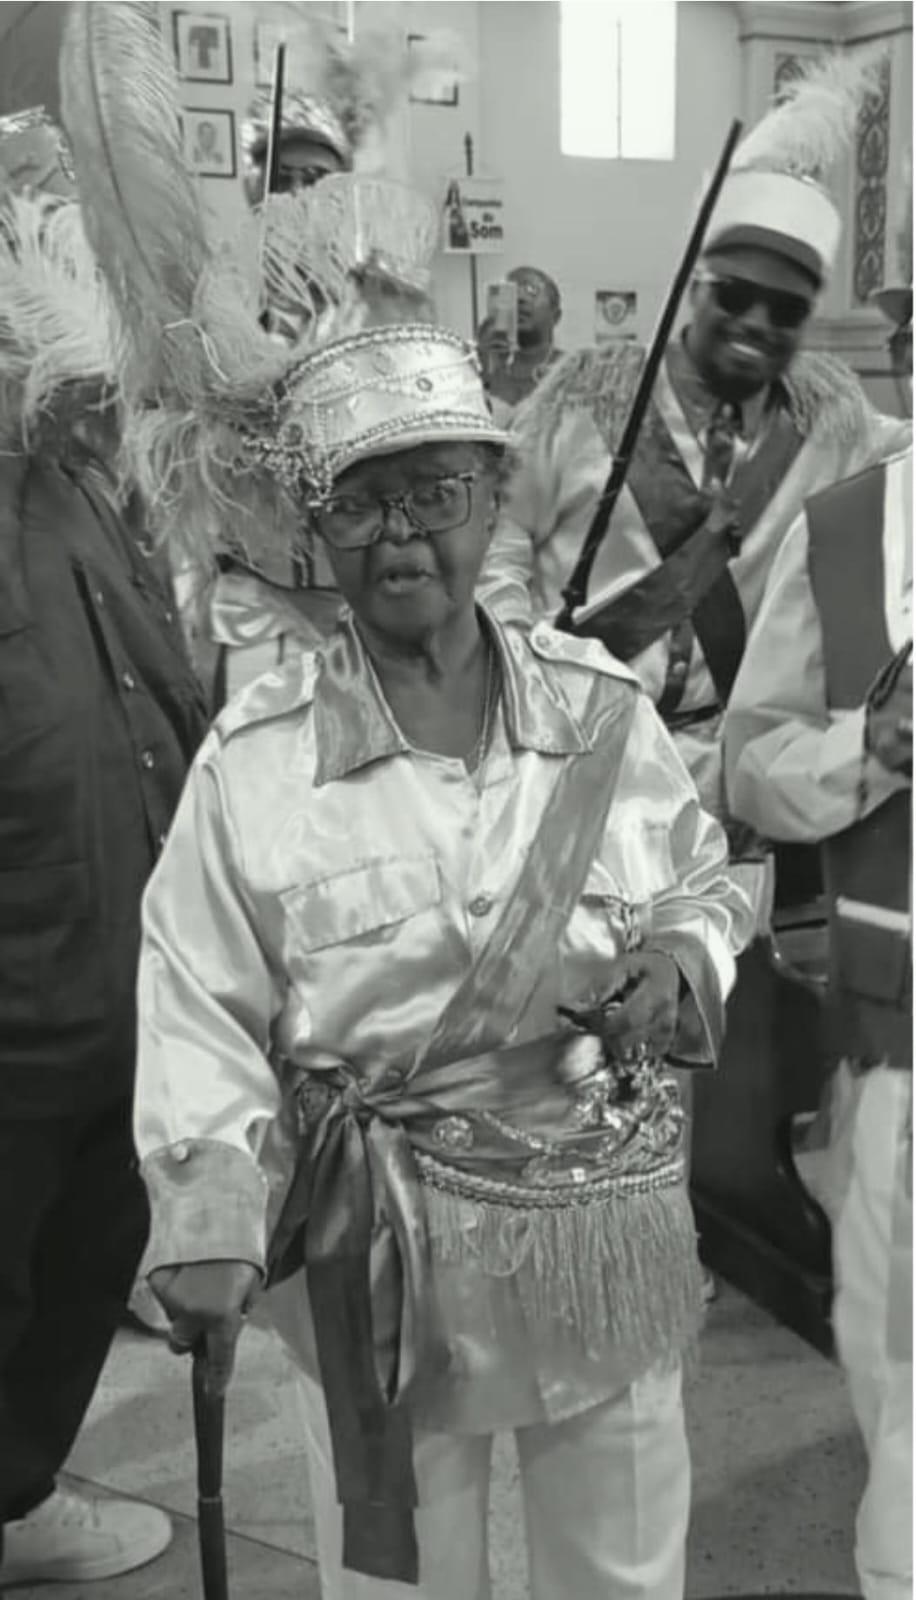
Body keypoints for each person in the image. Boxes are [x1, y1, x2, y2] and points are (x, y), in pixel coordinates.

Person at [132, 317, 754, 1600]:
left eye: (435, 494)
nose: (403, 538)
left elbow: (706, 874)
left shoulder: (597, 713)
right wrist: (207, 1209)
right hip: (379, 1243)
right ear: (315, 526)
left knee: (623, 1550)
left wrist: (680, 961)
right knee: (401, 1575)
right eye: (360, 508)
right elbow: (192, 991)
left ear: (491, 497)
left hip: (599, 1221)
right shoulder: (258, 762)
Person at [480, 56, 907, 867]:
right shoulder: (584, 400)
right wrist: (521, 683)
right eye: (735, 295)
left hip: (728, 792)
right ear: (696, 287)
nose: (756, 322)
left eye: (785, 310)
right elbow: (503, 548)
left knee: (723, 986)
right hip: (577, 766)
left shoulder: (836, 424)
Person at [0, 107, 208, 1586]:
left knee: (74, 1275)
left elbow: (162, 698)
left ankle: (14, 1495)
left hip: (124, 1005)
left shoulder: (85, 475)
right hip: (13, 1017)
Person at [723, 264, 912, 1600]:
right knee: (905, 1383)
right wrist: (876, 748)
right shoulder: (845, 531)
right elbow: (750, 760)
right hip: (904, 1034)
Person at [478, 265, 564, 424]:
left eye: (532, 291)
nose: (520, 299)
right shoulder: (476, 366)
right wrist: (483, 367)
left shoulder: (571, 370)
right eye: (511, 293)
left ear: (556, 316)